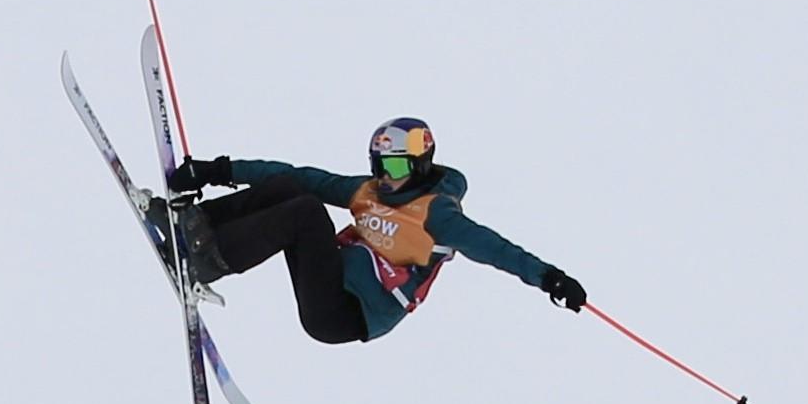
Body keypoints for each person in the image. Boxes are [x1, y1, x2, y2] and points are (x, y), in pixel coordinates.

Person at [159, 119, 587, 345]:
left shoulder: (436, 214)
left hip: (347, 313)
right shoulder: (369, 191)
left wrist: (550, 277)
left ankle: (205, 262)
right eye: (379, 166)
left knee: (305, 214)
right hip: (334, 279)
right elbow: (299, 174)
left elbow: (497, 250)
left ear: (421, 164)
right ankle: (194, 226)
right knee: (295, 189)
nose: (386, 177)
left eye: (397, 166)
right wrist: (219, 170)